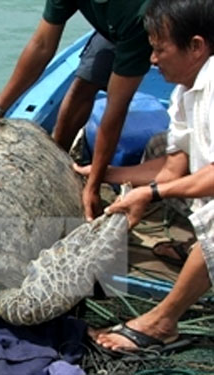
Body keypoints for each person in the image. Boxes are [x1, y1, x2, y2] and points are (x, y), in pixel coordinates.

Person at [76, 0, 213, 352]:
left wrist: (150, 196)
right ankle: (198, 250)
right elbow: (172, 168)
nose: (152, 60)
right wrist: (106, 174)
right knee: (159, 148)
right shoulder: (185, 90)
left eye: (159, 49)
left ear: (196, 46)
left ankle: (162, 322)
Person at [0, 0, 153, 222]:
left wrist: (93, 185)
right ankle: (59, 162)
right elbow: (42, 44)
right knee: (82, 86)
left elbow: (116, 108)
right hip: (111, 29)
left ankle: (88, 182)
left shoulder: (137, 13)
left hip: (146, 26)